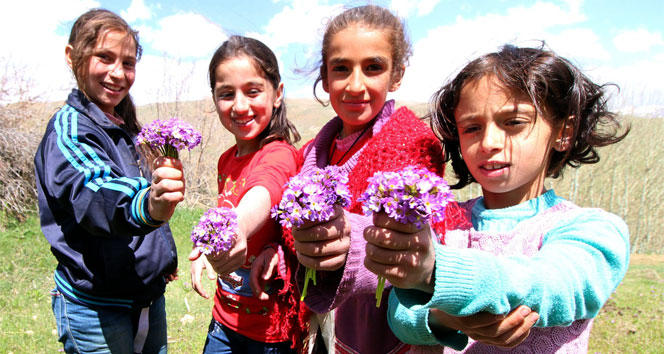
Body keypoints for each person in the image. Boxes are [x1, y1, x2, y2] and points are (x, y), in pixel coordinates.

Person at [286, 6, 536, 354]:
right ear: (325, 78)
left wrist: (349, 242)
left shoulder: (412, 140)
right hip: (324, 322)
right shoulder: (314, 151)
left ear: (396, 75)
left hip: (386, 328)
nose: (355, 84)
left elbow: (422, 238)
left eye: (373, 68)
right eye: (341, 69)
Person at [363, 44, 631, 353]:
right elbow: (400, 315)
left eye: (514, 123)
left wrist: (436, 271)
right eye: (472, 127)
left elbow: (551, 285)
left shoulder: (593, 228)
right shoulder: (440, 224)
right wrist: (445, 318)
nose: (489, 142)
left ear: (564, 132)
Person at [34, 8, 185, 354]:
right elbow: (95, 190)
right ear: (73, 57)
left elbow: (142, 189)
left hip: (145, 296)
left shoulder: (124, 125)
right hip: (96, 306)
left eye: (128, 63)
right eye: (105, 57)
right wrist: (150, 204)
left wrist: (161, 258)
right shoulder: (69, 129)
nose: (118, 73)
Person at [188, 35, 306, 353]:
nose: (240, 106)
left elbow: (264, 191)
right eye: (227, 94)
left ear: (277, 94)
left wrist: (235, 229)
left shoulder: (279, 154)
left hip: (271, 335)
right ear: (214, 100)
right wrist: (205, 245)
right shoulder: (225, 160)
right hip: (224, 322)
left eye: (253, 91)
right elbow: (223, 213)